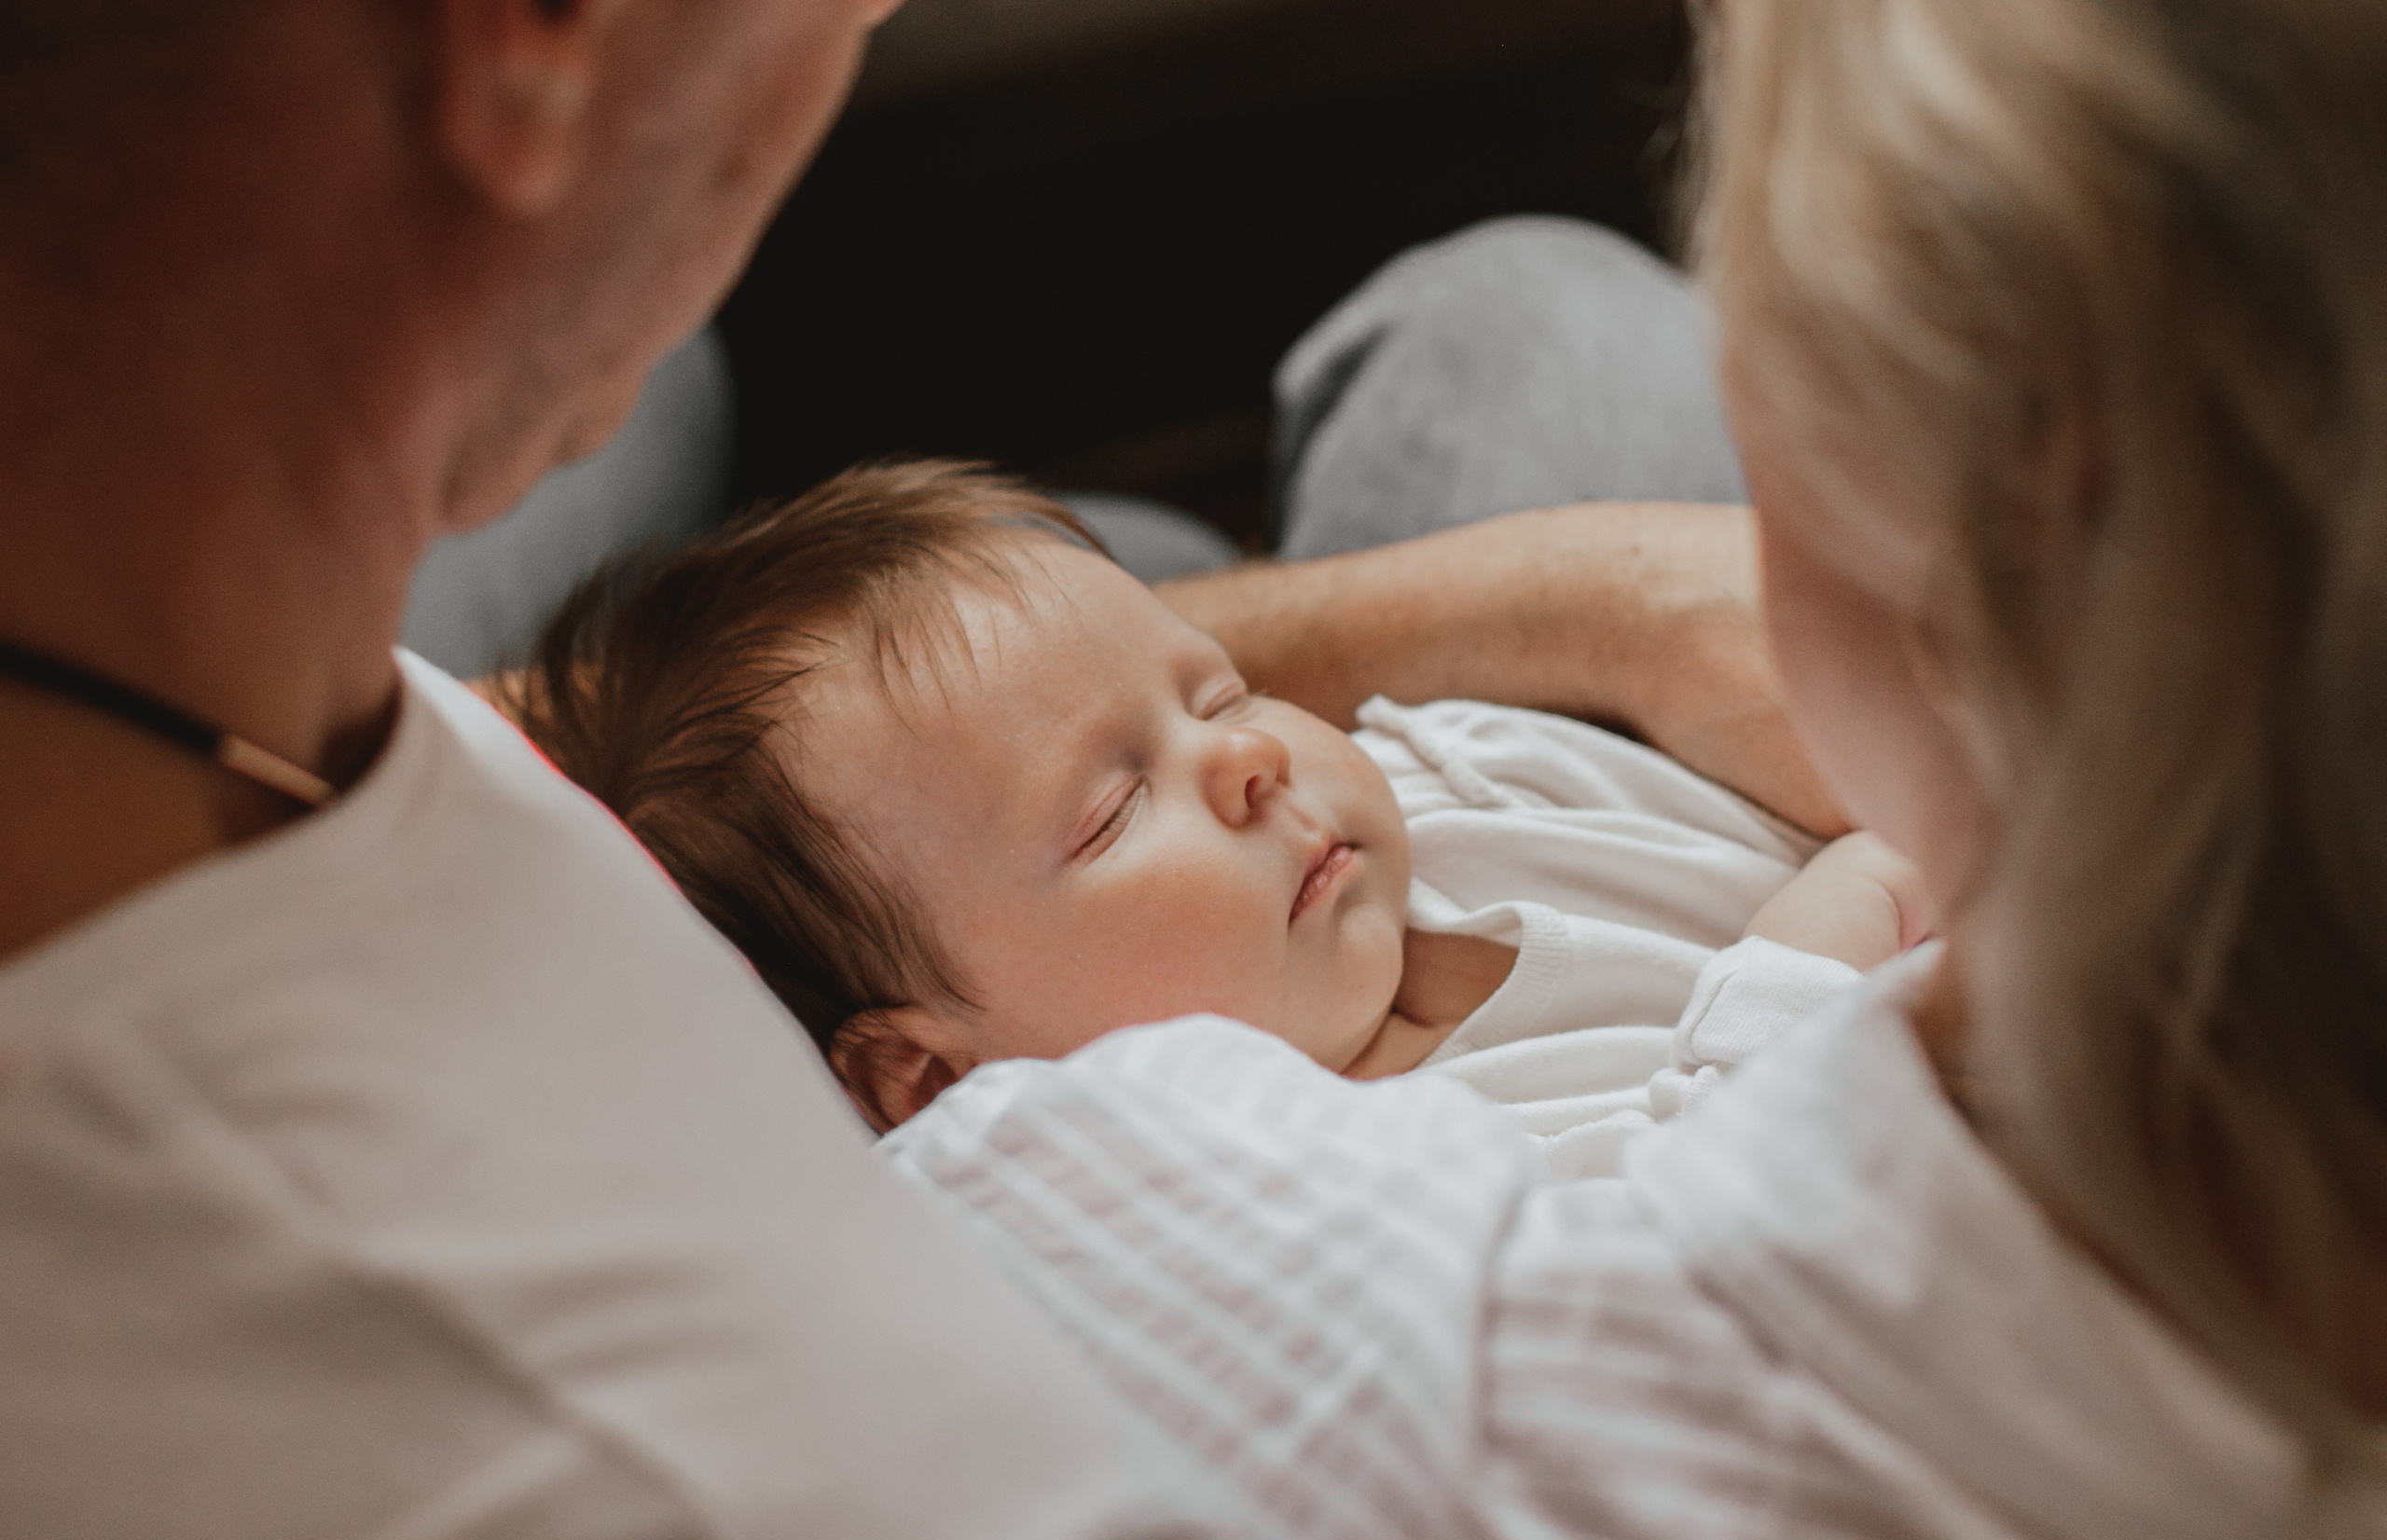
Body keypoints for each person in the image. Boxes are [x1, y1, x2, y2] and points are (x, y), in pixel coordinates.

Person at [0, 3, 1830, 1540]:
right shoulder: (823, 1494)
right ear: (533, 32)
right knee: (1540, 320)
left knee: (1049, 537)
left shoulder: (165, 667)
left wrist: (1566, 605)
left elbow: (610, 720)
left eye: (1222, 708)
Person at [878, 0, 2387, 1540]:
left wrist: (1593, 608)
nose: (1245, 752)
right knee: (1522, 305)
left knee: (1523, 313)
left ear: (1985, 539)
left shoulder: (1157, 1198)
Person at [512, 459, 1924, 1171]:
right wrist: (1818, 953)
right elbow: (1697, 1287)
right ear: (945, 1085)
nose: (1248, 759)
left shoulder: (1474, 770)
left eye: (1222, 689)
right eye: (1114, 807)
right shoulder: (1313, 1197)